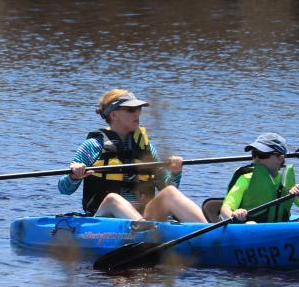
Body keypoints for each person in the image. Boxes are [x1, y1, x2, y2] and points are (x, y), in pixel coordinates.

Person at [58, 89, 207, 222]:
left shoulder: (147, 150)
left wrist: (175, 172)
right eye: (131, 109)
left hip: (144, 218)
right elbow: (64, 189)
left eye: (139, 109)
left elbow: (166, 186)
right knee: (113, 199)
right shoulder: (92, 146)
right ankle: (144, 229)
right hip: (103, 220)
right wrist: (74, 176)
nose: (137, 113)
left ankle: (212, 231)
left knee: (170, 192)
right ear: (114, 114)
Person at [219, 133, 299, 223]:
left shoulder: (287, 183)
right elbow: (225, 209)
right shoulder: (245, 179)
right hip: (249, 227)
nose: (256, 159)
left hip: (279, 229)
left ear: (280, 159)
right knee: (251, 224)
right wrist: (234, 214)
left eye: (262, 155)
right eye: (254, 154)